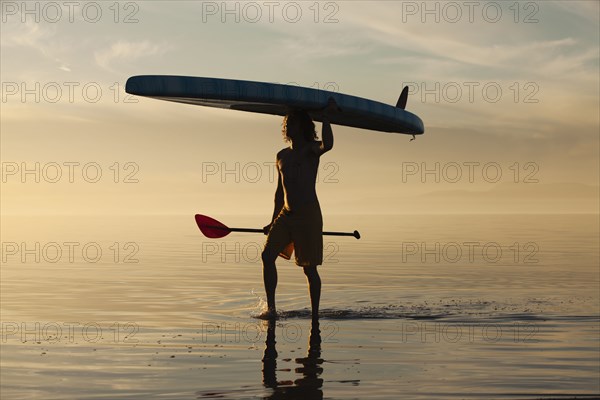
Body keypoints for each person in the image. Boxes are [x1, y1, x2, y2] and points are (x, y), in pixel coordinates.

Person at [260, 99, 337, 321]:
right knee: (266, 256)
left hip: (308, 215)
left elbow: (328, 144)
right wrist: (272, 220)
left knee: (309, 269)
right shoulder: (281, 156)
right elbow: (278, 193)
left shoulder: (312, 150)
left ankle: (314, 315)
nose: (287, 126)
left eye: (292, 122)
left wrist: (326, 116)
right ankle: (271, 309)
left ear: (302, 126)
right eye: (286, 122)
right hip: (285, 215)